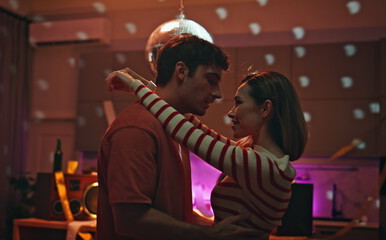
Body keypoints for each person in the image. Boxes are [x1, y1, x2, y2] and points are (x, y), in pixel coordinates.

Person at [97, 34, 265, 240]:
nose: (218, 93)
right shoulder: (136, 128)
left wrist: (218, 228)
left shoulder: (177, 127)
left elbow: (172, 214)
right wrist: (208, 234)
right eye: (211, 80)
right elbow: (130, 220)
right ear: (182, 71)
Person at [106, 69, 308, 238]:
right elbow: (193, 125)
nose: (231, 112)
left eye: (239, 102)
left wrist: (135, 87)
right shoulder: (255, 156)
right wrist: (149, 87)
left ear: (265, 109)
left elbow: (185, 131)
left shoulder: (263, 166)